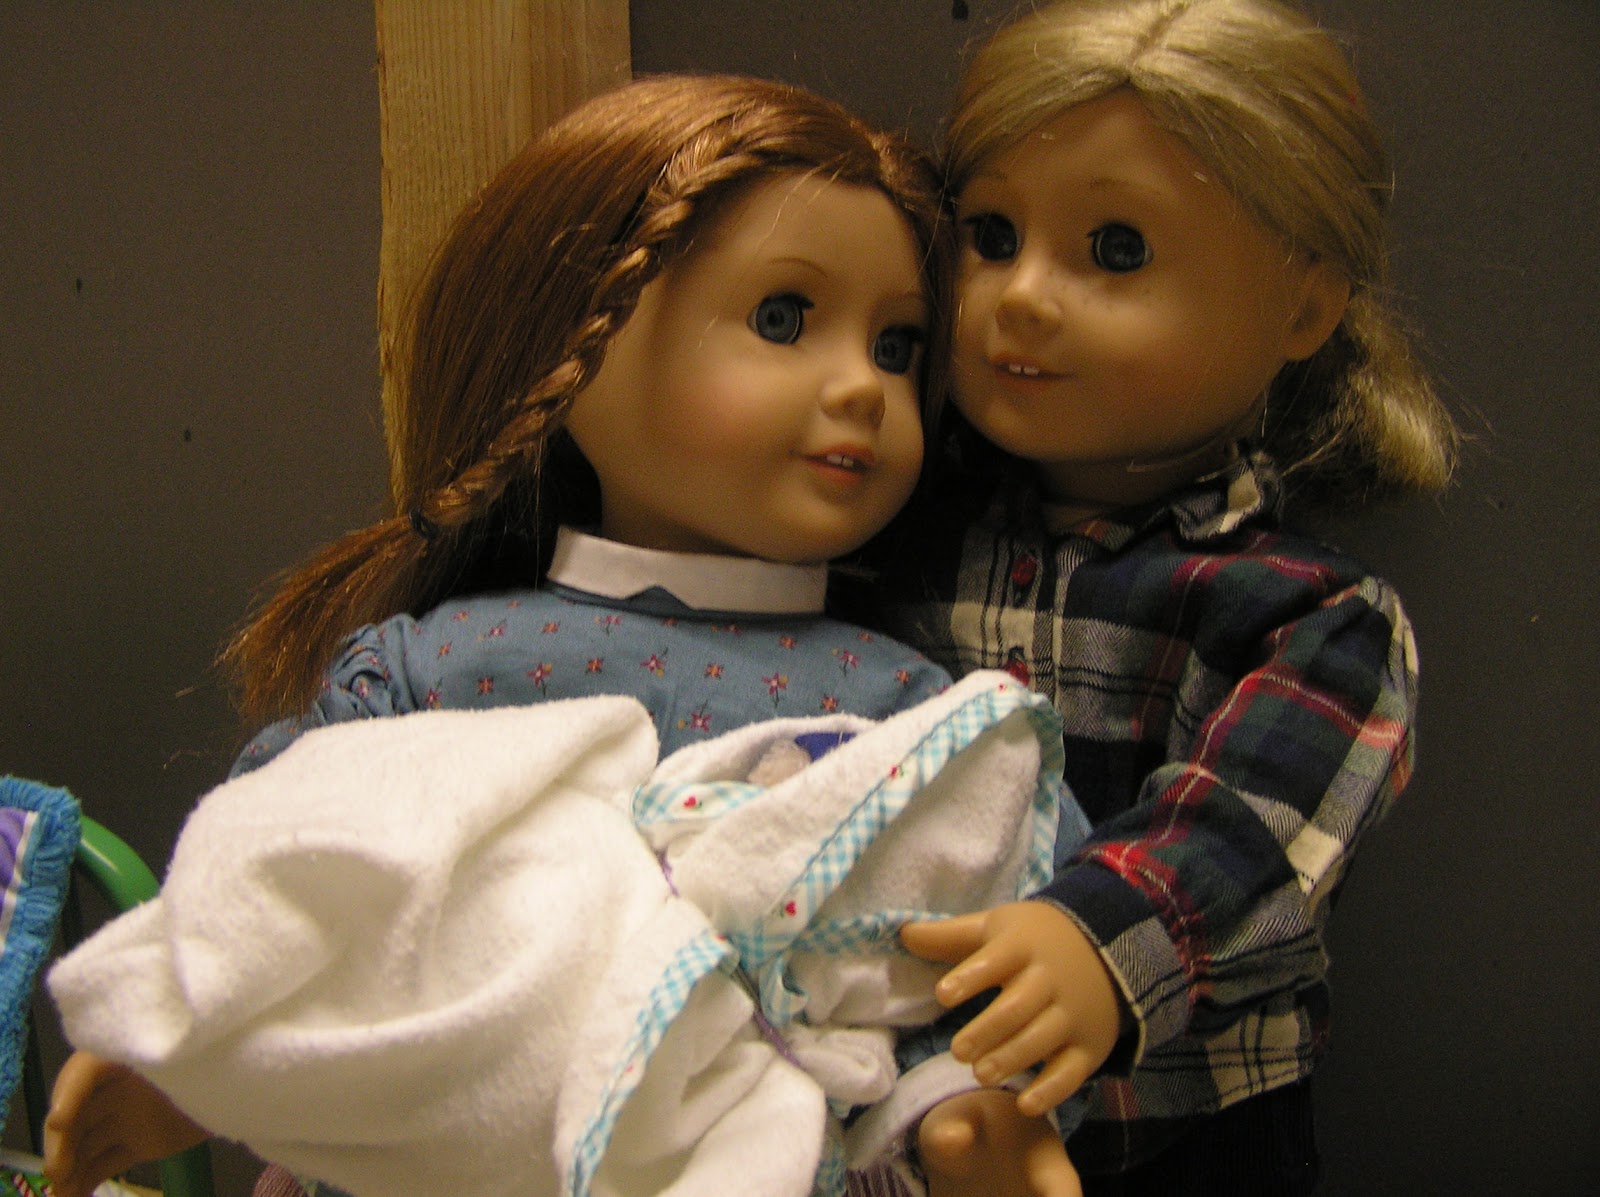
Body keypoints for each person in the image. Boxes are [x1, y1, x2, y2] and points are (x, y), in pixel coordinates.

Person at [43, 72, 1084, 1197]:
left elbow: (962, 938)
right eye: (783, 319)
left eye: (895, 346)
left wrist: (965, 1104)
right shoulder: (439, 666)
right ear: (577, 349)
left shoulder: (910, 716)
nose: (862, 388)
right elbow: (289, 870)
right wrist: (193, 1043)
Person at [883, 1, 1461, 1193]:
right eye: (990, 234)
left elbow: (1251, 832)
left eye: (1115, 249)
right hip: (897, 1118)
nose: (1022, 296)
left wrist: (1097, 942)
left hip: (1177, 1136)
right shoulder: (901, 538)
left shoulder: (1309, 616)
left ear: (1302, 306)